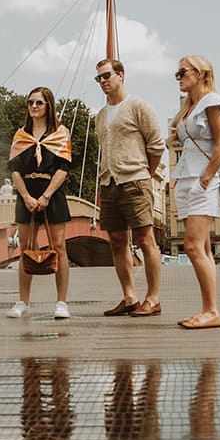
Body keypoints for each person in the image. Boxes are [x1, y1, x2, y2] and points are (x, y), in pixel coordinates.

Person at [92, 58, 164, 318]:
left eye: (107, 75)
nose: (103, 81)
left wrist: (145, 173)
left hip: (135, 181)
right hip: (109, 184)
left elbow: (156, 145)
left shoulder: (137, 106)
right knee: (117, 242)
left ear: (121, 75)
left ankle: (153, 298)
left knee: (146, 240)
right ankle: (130, 297)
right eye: (99, 77)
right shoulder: (100, 116)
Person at [170, 54, 220, 329]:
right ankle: (208, 309)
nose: (178, 77)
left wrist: (205, 180)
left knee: (193, 246)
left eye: (183, 72)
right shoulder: (188, 106)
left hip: (201, 179)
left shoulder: (212, 102)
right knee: (203, 248)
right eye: (178, 73)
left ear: (201, 73)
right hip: (186, 178)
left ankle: (211, 310)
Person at [6, 86, 72, 321]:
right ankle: (23, 301)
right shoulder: (20, 136)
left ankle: (61, 302)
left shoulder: (61, 134)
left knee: (59, 247)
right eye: (30, 102)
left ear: (48, 106)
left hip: (52, 194)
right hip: (26, 194)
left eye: (39, 103)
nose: (34, 106)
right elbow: (14, 171)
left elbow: (63, 168)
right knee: (25, 247)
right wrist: (25, 196)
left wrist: (46, 196)